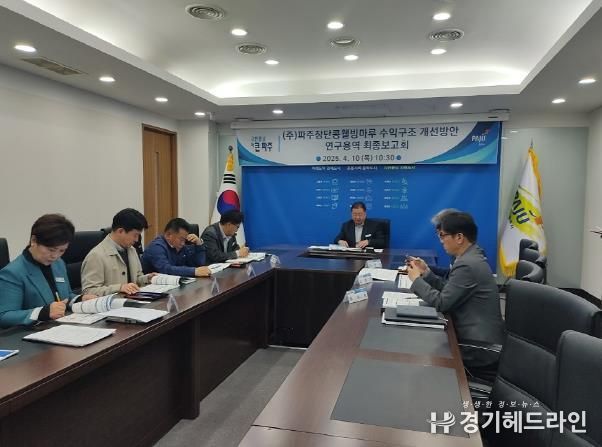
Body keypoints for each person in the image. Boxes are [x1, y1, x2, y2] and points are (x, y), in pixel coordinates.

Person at [407, 211, 505, 370]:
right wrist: (426, 273)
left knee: (419, 347)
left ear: (459, 237)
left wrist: (416, 280)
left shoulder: (467, 264)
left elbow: (441, 303)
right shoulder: (471, 256)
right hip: (477, 336)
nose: (441, 241)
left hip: (478, 347)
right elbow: (449, 290)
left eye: (443, 235)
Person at [0, 214, 95, 328]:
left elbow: (63, 297)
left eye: (61, 251)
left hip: (61, 327)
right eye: (51, 250)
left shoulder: (58, 264)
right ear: (34, 240)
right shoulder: (13, 273)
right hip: (31, 333)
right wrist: (42, 313)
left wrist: (79, 299)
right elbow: (4, 316)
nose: (55, 256)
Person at [81, 208, 155, 296]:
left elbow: (136, 279)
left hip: (132, 300)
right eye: (135, 235)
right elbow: (88, 291)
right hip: (112, 303)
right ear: (120, 231)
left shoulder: (131, 250)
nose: (136, 240)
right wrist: (119, 288)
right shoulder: (96, 256)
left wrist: (148, 278)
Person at [142, 218, 211, 277]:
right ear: (168, 235)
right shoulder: (156, 247)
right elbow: (166, 269)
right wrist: (194, 271)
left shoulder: (181, 246)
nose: (183, 243)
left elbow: (199, 265)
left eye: (185, 240)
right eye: (181, 239)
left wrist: (198, 244)